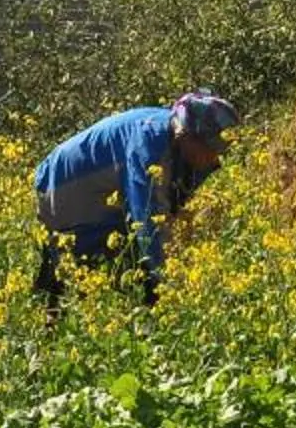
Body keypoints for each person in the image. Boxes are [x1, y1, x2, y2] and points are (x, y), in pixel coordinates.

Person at [31, 90, 239, 311]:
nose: (215, 156)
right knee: (84, 264)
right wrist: (167, 287)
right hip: (66, 185)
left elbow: (175, 201)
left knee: (129, 258)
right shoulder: (148, 148)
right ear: (186, 135)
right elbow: (147, 217)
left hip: (101, 186)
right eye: (211, 148)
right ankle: (48, 316)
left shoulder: (184, 144)